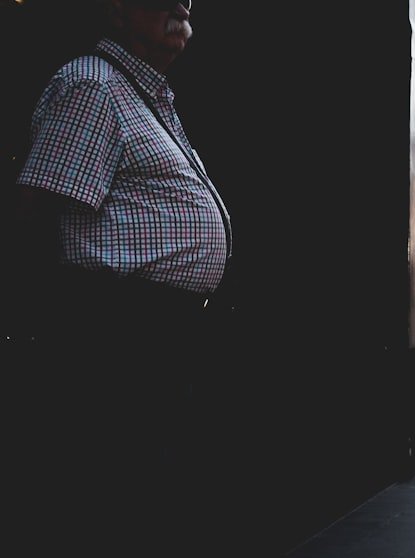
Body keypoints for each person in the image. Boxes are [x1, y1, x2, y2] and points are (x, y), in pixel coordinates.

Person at [10, 0, 233, 549]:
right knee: (115, 487)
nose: (182, 6)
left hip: (158, 328)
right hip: (117, 327)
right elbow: (35, 212)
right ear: (116, 12)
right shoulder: (93, 85)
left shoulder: (147, 95)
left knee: (153, 484)